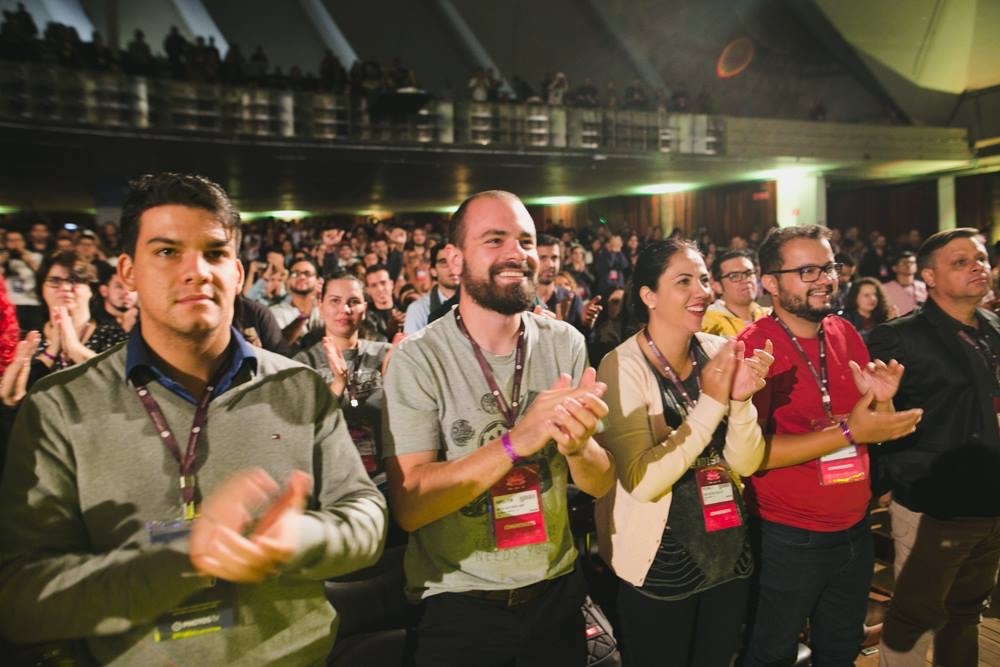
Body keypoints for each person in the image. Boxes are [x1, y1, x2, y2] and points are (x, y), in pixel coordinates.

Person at [0, 173, 386, 665]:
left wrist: (299, 538)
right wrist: (182, 559)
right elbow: (19, 596)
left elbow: (367, 515)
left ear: (238, 274)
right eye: (166, 252)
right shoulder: (62, 406)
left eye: (215, 252)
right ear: (127, 272)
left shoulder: (296, 386)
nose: (196, 270)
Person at [382, 190, 615, 666]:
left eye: (526, 241)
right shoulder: (419, 357)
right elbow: (410, 504)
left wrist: (577, 448)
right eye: (495, 240)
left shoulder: (564, 342)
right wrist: (515, 442)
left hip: (556, 594)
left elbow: (599, 480)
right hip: (460, 606)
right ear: (454, 259)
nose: (517, 254)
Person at [738, 225, 923, 666]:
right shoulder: (754, 347)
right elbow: (752, 453)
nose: (825, 278)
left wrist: (883, 398)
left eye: (829, 266)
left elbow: (870, 426)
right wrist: (846, 434)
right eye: (806, 270)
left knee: (840, 649)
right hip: (789, 535)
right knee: (771, 652)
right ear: (770, 283)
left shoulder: (843, 332)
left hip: (853, 526)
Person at [595, 239, 773, 666]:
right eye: (684, 281)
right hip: (660, 560)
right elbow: (641, 481)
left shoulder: (715, 351)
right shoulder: (621, 366)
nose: (702, 292)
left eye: (704, 279)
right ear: (649, 296)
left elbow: (746, 464)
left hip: (727, 548)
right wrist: (712, 404)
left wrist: (743, 402)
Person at [869, 228, 1000, 666]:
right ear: (928, 276)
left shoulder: (994, 328)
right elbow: (875, 416)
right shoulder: (901, 337)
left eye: (980, 258)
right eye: (960, 262)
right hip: (933, 502)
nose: (977, 266)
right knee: (915, 617)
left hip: (990, 498)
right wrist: (886, 482)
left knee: (966, 613)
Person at [296, 270, 391, 481]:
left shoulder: (385, 354)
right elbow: (304, 428)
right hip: (332, 481)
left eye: (354, 301)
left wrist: (399, 380)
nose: (344, 310)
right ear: (320, 306)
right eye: (335, 301)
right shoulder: (303, 364)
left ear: (364, 309)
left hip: (386, 479)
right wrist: (338, 384)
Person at [535, 234, 602, 333]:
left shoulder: (572, 299)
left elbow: (583, 344)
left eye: (554, 258)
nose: (550, 264)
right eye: (543, 258)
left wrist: (585, 326)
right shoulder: (521, 299)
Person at [702, 249, 769, 336]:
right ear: (717, 286)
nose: (745, 280)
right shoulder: (708, 323)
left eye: (749, 273)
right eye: (734, 276)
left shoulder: (769, 315)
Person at [403, 243, 459, 334]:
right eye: (444, 262)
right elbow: (412, 346)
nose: (452, 268)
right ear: (433, 271)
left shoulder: (477, 303)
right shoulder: (418, 309)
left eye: (455, 261)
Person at [880, 251, 926, 317]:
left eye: (912, 263)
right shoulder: (885, 289)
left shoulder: (925, 287)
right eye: (904, 263)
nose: (909, 265)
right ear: (894, 268)